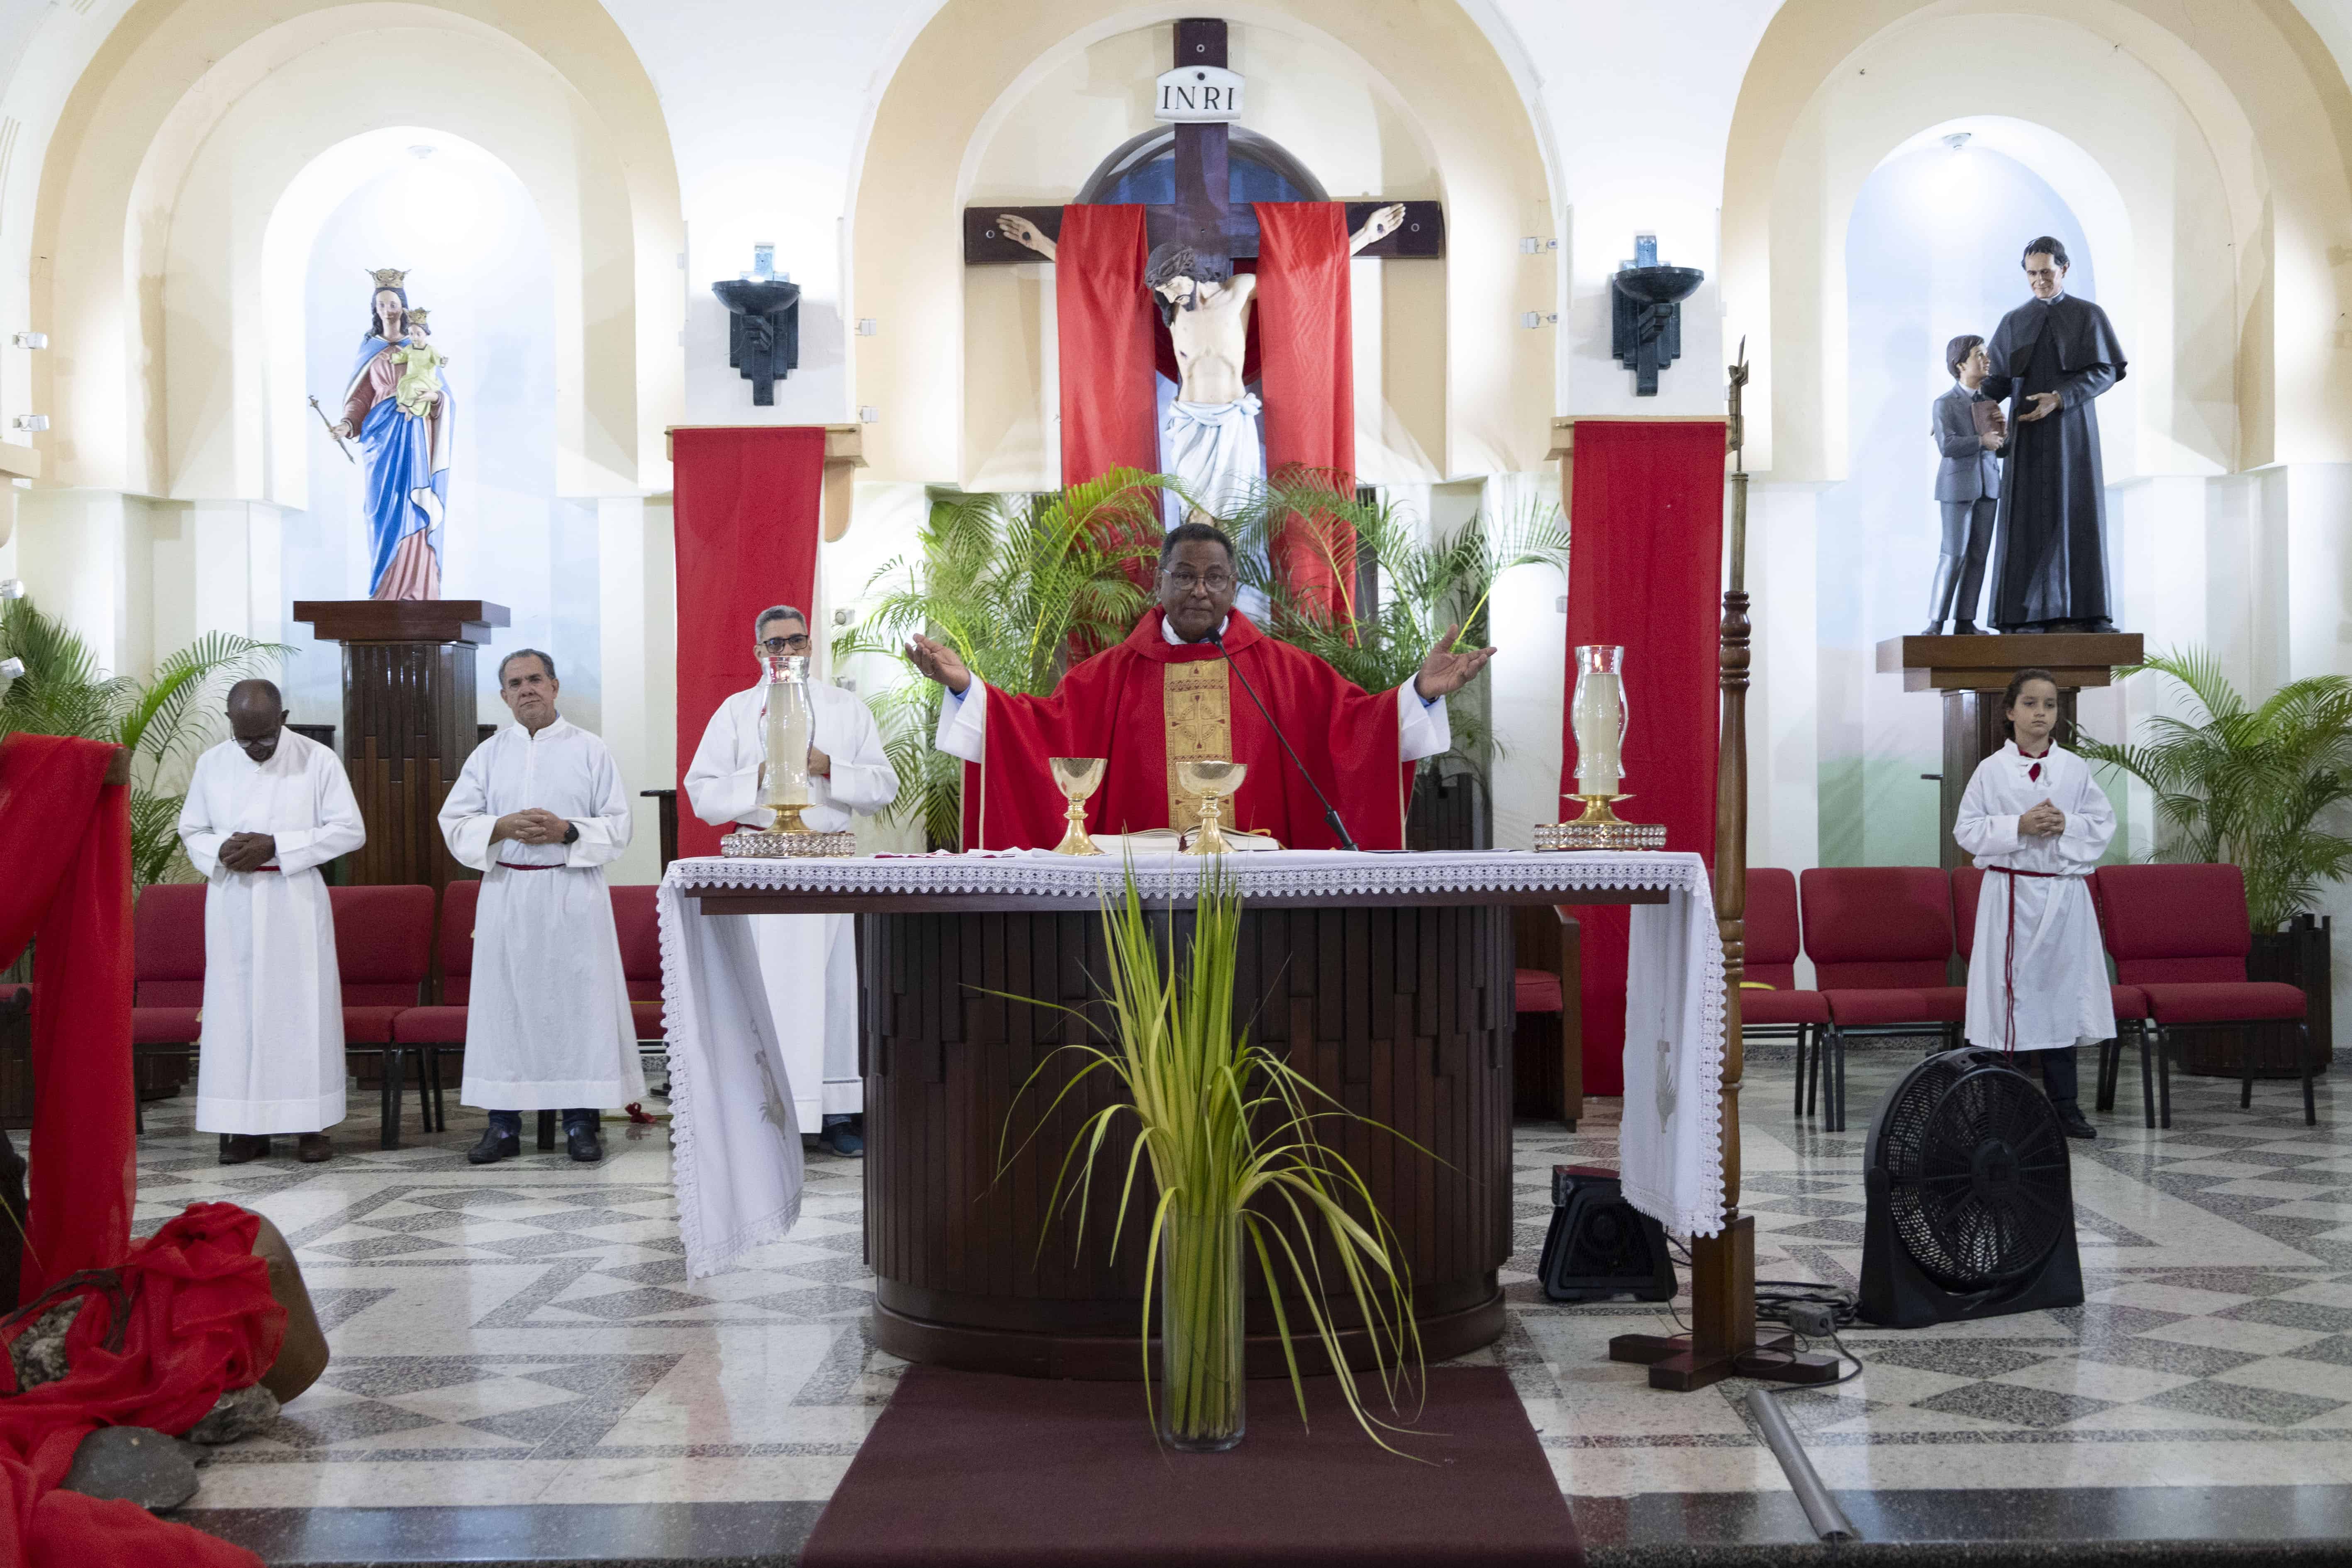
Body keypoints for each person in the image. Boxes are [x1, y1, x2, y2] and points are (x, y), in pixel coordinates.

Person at [906, 521, 1494, 850]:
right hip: (1138, 891)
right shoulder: (1107, 675)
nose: (1199, 590)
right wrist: (966, 689)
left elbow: (1355, 726)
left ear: (1234, 586)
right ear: (1159, 584)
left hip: (1256, 887)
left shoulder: (1287, 672)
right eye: (1184, 575)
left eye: (1215, 577)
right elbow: (1037, 730)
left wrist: (1420, 691)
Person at [993, 208, 1403, 529]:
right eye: (1162, 290)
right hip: (1190, 419)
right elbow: (1101, 282)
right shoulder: (1172, 309)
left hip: (1232, 419)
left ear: (1183, 268)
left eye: (1170, 284)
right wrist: (1042, 243)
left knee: (1232, 516)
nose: (1168, 294)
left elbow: (1303, 279)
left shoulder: (1237, 292)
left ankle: (1229, 609)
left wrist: (1367, 235)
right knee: (1196, 514)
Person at [684, 605, 899, 1157]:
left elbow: (882, 785)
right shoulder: (736, 713)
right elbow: (703, 793)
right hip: (762, 867)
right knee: (769, 987)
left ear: (810, 643)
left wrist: (828, 764)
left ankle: (838, 1111)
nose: (785, 651)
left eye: (795, 640)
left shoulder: (844, 708)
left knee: (832, 989)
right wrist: (759, 771)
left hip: (827, 865)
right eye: (773, 643)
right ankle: (764, 1110)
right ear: (758, 651)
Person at [439, 649, 643, 1163]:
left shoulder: (590, 750)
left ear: (554, 686)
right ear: (504, 696)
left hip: (572, 894)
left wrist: (568, 830)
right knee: (503, 1008)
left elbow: (618, 827)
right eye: (515, 683)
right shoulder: (486, 755)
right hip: (508, 892)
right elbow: (456, 821)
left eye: (535, 679)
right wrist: (501, 826)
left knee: (578, 1008)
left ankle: (582, 1123)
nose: (526, 689)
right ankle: (503, 1126)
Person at [176, 680, 366, 1164]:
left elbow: (349, 829)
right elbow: (192, 828)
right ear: (231, 723)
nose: (256, 748)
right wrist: (218, 848)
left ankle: (310, 1125)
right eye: (246, 739)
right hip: (233, 898)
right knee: (236, 1012)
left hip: (294, 897)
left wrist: (277, 846)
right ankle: (243, 1127)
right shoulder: (213, 763)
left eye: (265, 737)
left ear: (284, 718)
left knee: (301, 1009)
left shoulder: (317, 760)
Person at [1953, 667, 2115, 1139]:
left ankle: (2065, 1105)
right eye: (2029, 703)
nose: (2040, 712)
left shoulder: (2074, 768)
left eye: (2048, 704)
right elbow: (1966, 830)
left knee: (2059, 995)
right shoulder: (1990, 770)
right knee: (2009, 998)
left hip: (2063, 896)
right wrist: (2017, 826)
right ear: (2010, 711)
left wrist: (2065, 823)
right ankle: (2000, 1108)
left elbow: (2101, 824)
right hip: (2011, 895)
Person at [1979, 237, 2128, 633]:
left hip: (2070, 433)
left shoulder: (2088, 315)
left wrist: (2060, 399)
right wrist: (1967, 410)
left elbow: (2104, 370)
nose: (2039, 281)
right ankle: (2021, 616)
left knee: (2075, 514)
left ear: (2063, 269)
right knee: (2023, 519)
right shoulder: (2013, 321)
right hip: (2024, 440)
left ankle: (2085, 614)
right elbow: (1994, 382)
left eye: (2046, 272)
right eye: (2031, 274)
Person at [328, 267, 453, 601]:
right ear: (376, 309)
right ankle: (384, 588)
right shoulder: (371, 349)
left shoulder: (422, 347)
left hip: (415, 431)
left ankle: (418, 587)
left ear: (403, 306)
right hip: (380, 436)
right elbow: (361, 397)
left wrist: (435, 398)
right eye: (382, 304)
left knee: (414, 501)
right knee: (381, 507)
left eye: (393, 303)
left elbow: (445, 395)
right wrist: (347, 424)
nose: (388, 310)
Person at [1927, 334, 2004, 634]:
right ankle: (1935, 623)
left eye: (1986, 355)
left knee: (1978, 556)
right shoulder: (1944, 403)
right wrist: (1981, 440)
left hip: (1988, 486)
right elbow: (1947, 446)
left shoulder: (1988, 403)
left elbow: (2000, 448)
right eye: (1979, 355)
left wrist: (2003, 433)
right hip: (1957, 487)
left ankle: (1965, 621)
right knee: (1953, 554)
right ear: (1960, 364)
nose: (1986, 360)